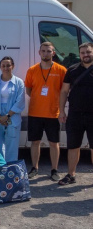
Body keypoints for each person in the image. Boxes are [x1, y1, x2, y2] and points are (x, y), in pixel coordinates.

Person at [24, 42, 67, 180]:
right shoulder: (32, 70)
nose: (46, 53)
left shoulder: (61, 70)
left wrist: (60, 109)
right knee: (35, 142)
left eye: (49, 51)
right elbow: (29, 89)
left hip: (53, 113)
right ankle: (34, 168)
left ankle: (54, 170)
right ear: (39, 52)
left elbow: (64, 91)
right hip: (35, 112)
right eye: (43, 51)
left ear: (53, 53)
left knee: (54, 143)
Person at [58, 42, 93, 185]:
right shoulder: (72, 70)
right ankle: (71, 175)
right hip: (75, 114)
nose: (86, 55)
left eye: (89, 52)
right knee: (73, 146)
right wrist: (61, 111)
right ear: (79, 54)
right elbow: (64, 91)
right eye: (83, 52)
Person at [0, 56, 25, 162]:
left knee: (12, 142)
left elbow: (20, 101)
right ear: (0, 67)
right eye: (3, 65)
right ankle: (2, 167)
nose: (6, 68)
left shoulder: (19, 82)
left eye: (8, 65)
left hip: (12, 115)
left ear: (13, 66)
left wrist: (7, 116)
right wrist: (0, 117)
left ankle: (11, 166)